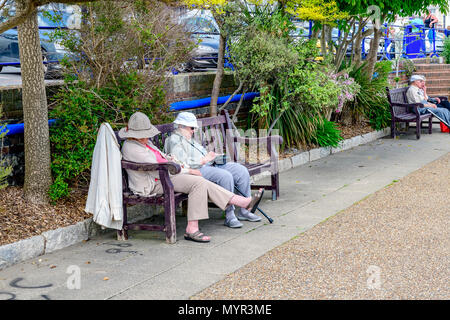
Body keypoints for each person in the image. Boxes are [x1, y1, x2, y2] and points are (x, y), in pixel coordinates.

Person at [119, 112, 264, 243]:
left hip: (165, 176)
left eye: (147, 133)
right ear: (133, 134)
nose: (147, 137)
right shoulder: (131, 147)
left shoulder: (146, 143)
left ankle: (242, 204)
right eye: (143, 134)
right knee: (198, 183)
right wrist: (187, 170)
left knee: (200, 181)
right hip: (154, 182)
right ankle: (195, 228)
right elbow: (158, 165)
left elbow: (164, 159)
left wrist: (175, 162)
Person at [164, 112, 263, 229]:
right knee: (225, 176)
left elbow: (202, 154)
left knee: (240, 170)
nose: (194, 130)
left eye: (195, 128)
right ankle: (229, 215)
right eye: (192, 128)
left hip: (211, 164)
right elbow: (182, 162)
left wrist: (213, 156)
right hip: (197, 170)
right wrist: (203, 160)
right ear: (181, 126)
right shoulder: (174, 140)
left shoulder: (188, 138)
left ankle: (245, 211)